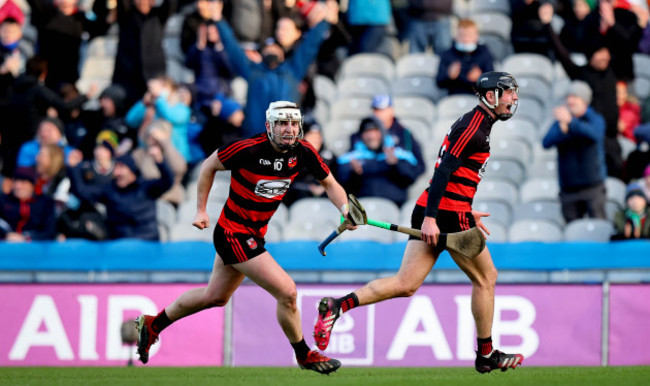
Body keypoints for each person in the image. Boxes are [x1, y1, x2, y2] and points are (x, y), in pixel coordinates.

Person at [313, 72, 524, 373]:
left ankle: (337, 306)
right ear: (490, 96)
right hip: (443, 214)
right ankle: (486, 354)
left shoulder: (479, 125)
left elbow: (458, 177)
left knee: (405, 284)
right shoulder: (473, 126)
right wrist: (433, 219)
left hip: (443, 210)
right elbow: (442, 174)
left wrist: (463, 209)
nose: (513, 99)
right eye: (508, 93)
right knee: (486, 277)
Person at [134, 101, 354, 374]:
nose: (289, 129)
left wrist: (345, 210)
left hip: (252, 235)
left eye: (294, 123)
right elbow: (208, 166)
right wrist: (201, 209)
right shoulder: (247, 149)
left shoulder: (304, 151)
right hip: (232, 234)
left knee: (214, 297)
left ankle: (153, 324)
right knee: (287, 292)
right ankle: (303, 354)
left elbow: (330, 183)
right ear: (269, 126)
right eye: (282, 123)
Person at [67, 150, 174, 240]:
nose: (117, 172)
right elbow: (82, 192)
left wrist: (160, 161)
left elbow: (167, 182)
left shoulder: (146, 187)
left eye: (121, 168)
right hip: (119, 246)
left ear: (131, 171)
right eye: (115, 168)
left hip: (148, 243)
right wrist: (74, 168)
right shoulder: (109, 190)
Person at [542, 80, 608, 223]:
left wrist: (572, 123)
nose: (570, 101)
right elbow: (546, 142)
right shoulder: (561, 121)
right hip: (568, 190)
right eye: (568, 97)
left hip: (593, 187)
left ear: (584, 100)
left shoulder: (594, 119)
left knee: (599, 228)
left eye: (574, 97)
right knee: (572, 232)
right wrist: (562, 130)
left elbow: (594, 134)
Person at [338, 116, 421, 208]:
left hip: (395, 208)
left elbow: (410, 177)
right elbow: (341, 185)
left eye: (375, 131)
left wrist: (396, 165)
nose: (371, 136)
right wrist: (354, 174)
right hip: (363, 210)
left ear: (383, 133)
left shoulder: (398, 154)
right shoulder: (353, 157)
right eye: (367, 132)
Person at [436, 18, 494, 96]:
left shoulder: (485, 54)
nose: (465, 39)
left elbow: (492, 83)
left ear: (476, 36)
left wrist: (480, 78)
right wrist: (449, 76)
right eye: (462, 36)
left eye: (469, 36)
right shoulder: (447, 54)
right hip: (455, 98)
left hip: (478, 98)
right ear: (455, 36)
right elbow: (439, 83)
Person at [0, 167, 56, 241]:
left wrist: (26, 237)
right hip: (7, 246)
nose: (18, 186)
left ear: (32, 186)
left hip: (34, 248)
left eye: (23, 182)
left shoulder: (45, 203)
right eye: (15, 181)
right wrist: (7, 235)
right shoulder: (4, 200)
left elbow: (49, 231)